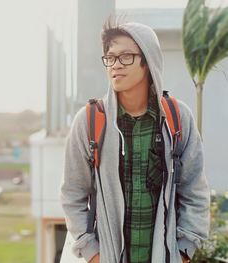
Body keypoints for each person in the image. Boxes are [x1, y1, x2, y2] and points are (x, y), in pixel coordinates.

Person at [60, 18, 210, 263]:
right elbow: (72, 193)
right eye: (110, 58)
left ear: (148, 61)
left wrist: (183, 250)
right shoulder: (89, 121)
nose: (115, 65)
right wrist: (92, 253)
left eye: (126, 56)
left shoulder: (177, 118)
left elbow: (194, 189)